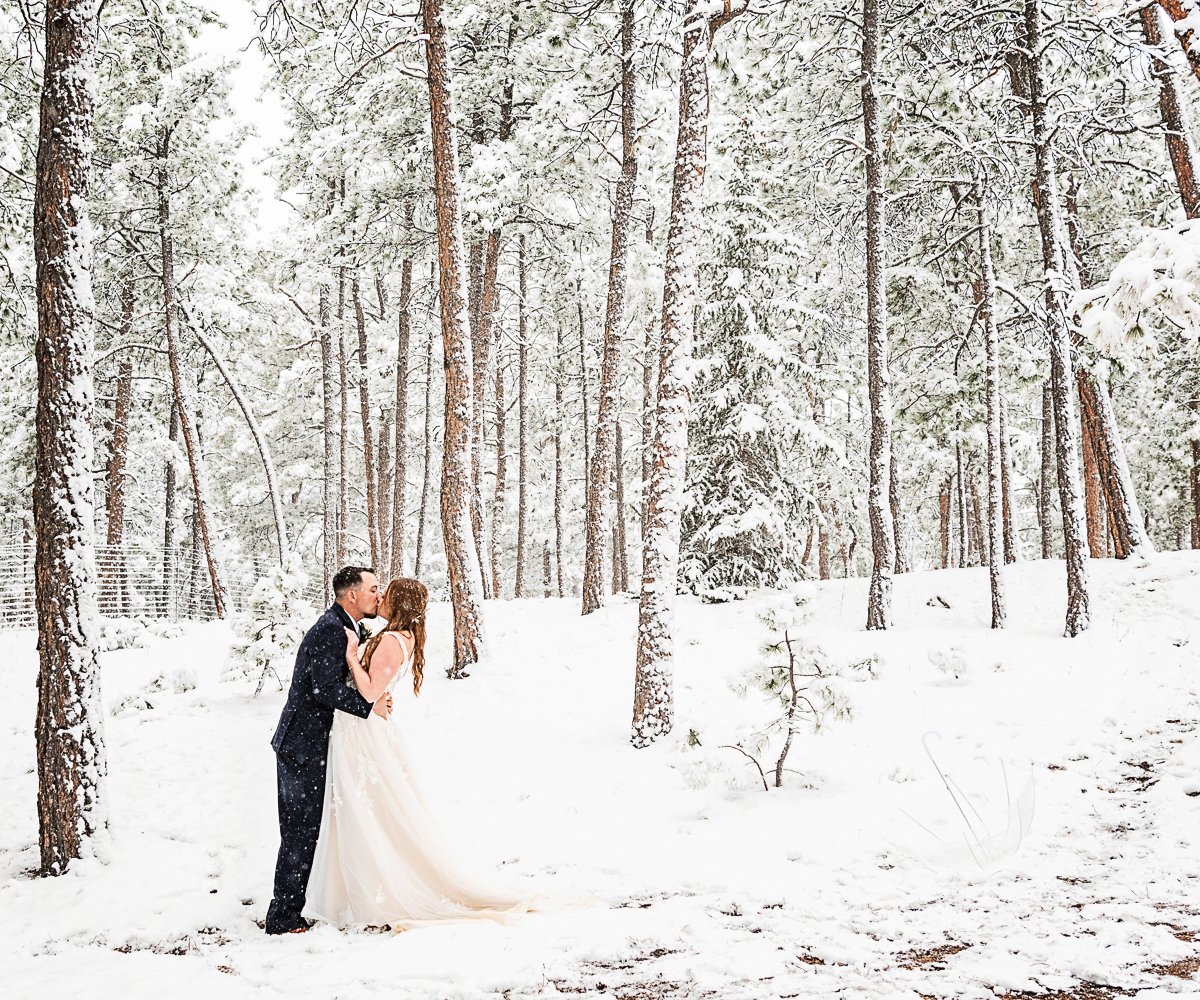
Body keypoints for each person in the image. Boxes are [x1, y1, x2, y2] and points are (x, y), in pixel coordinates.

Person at [304, 576, 534, 930]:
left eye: (387, 593)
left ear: (400, 604)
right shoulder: (398, 637)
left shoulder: (392, 641)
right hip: (360, 729)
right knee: (360, 811)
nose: (379, 597)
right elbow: (376, 693)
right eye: (376, 591)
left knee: (367, 812)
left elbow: (366, 694)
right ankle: (350, 891)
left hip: (363, 735)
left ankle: (372, 891)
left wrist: (351, 656)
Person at [264, 566, 393, 935]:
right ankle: (283, 918)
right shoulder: (329, 631)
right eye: (372, 589)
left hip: (311, 744)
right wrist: (370, 707)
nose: (378, 595)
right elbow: (324, 690)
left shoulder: (345, 627)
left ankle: (297, 905)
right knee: (300, 830)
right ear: (350, 595)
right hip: (301, 746)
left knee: (308, 829)